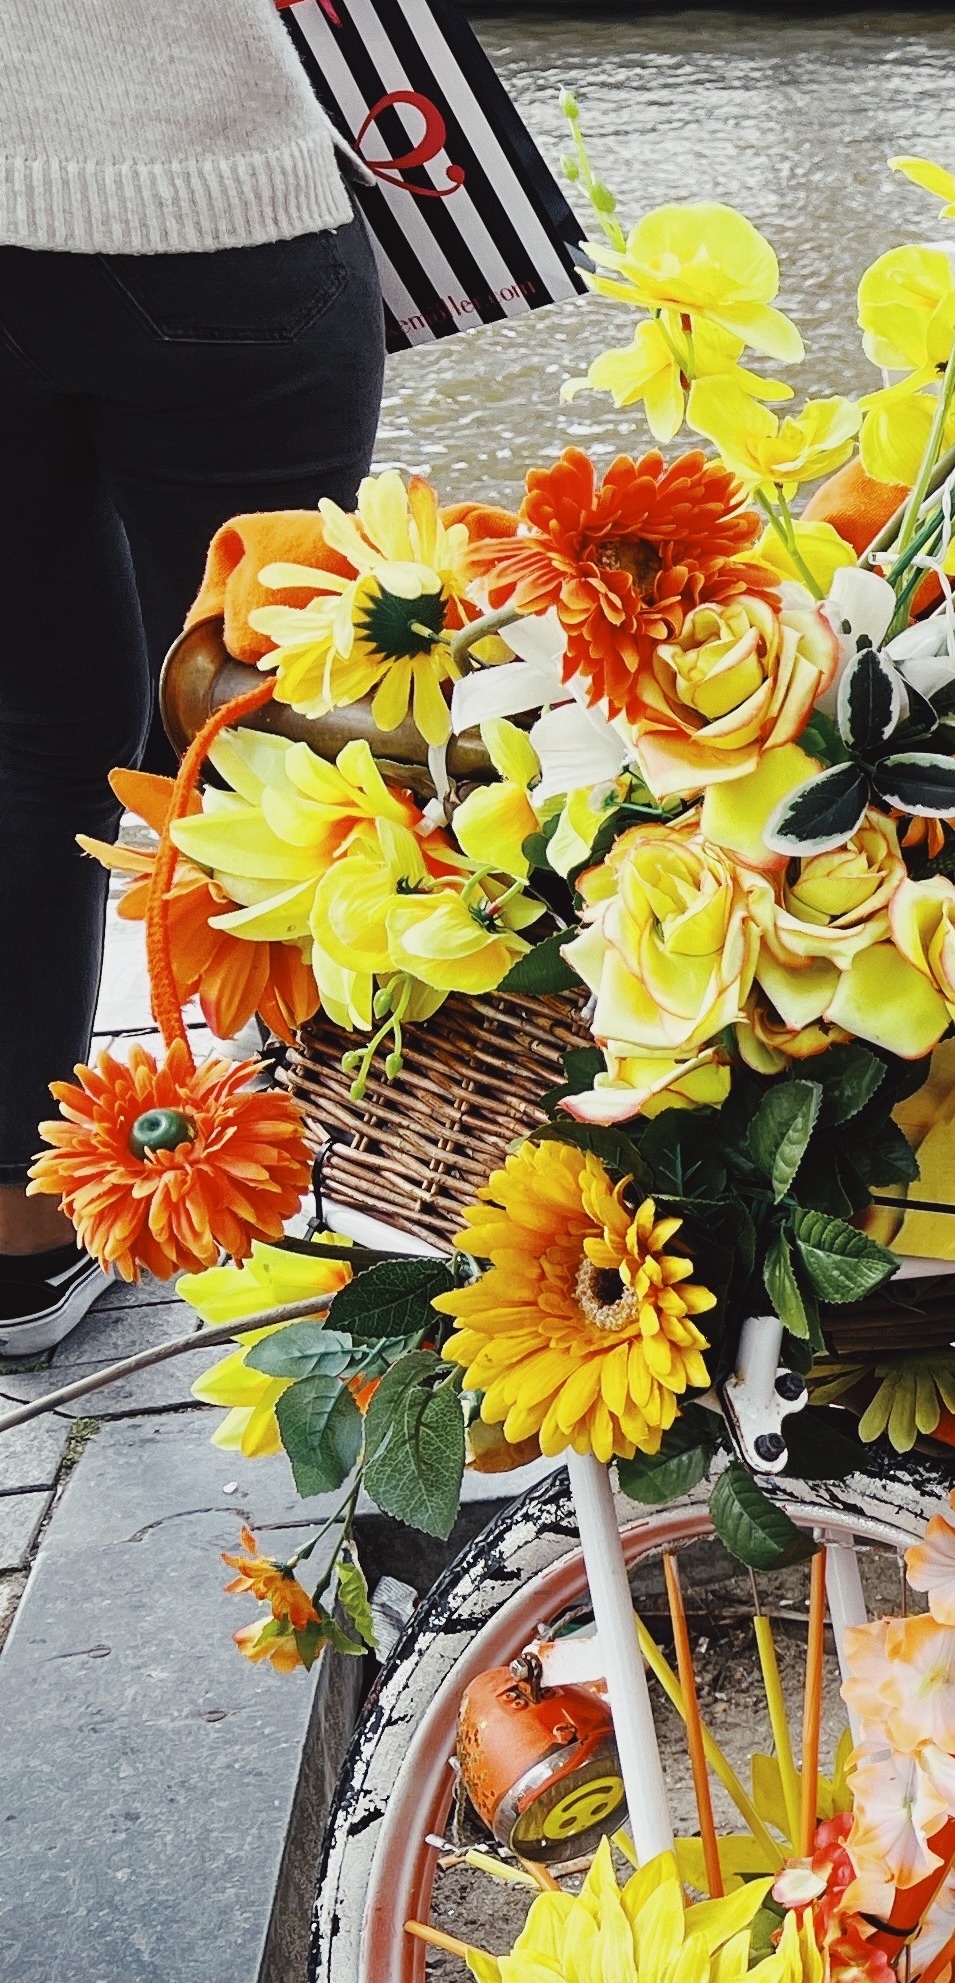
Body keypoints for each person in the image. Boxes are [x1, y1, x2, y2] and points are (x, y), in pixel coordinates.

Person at [0, 3, 379, 1354]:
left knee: (26, 727)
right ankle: (370, 1185)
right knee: (280, 715)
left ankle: (20, 1235)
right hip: (201, 194)